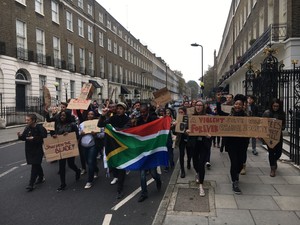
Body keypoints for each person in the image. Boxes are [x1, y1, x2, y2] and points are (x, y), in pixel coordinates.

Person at [98, 102, 130, 199]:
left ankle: (120, 189)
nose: (119, 110)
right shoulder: (112, 118)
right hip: (112, 146)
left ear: (124, 110)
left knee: (121, 168)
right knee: (114, 166)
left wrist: (116, 130)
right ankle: (116, 177)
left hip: (122, 146)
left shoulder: (127, 119)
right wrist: (103, 115)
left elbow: (127, 129)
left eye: (121, 108)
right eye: (118, 108)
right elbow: (100, 124)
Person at [220, 94, 249, 194]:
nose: (237, 106)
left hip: (242, 143)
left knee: (240, 164)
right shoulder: (229, 116)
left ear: (242, 106)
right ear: (234, 105)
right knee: (234, 162)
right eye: (236, 104)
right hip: (231, 143)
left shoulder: (246, 117)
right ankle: (234, 181)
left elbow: (252, 128)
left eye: (239, 104)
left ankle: (236, 175)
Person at [135, 103, 162, 202]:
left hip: (152, 149)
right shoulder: (138, 120)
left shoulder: (153, 119)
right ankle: (144, 193)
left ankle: (158, 180)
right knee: (142, 174)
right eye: (141, 112)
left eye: (144, 112)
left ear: (147, 111)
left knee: (153, 173)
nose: (142, 114)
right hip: (143, 149)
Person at [186, 100, 212, 197]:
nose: (198, 107)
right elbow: (185, 128)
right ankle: (197, 172)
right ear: (195, 106)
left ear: (203, 107)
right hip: (194, 143)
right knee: (195, 163)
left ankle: (201, 185)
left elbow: (213, 129)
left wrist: (210, 135)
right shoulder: (191, 117)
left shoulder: (207, 117)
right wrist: (187, 131)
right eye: (197, 105)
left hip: (204, 144)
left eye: (200, 105)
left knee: (201, 164)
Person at [52, 110, 81, 192]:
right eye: (61, 115)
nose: (62, 117)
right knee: (61, 166)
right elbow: (56, 133)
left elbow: (77, 136)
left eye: (64, 115)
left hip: (70, 148)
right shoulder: (58, 125)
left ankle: (77, 170)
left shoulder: (72, 125)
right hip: (61, 148)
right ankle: (63, 184)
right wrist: (55, 136)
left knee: (71, 164)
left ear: (67, 116)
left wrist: (68, 135)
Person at [17, 114, 48, 192]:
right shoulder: (27, 128)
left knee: (34, 165)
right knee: (37, 164)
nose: (26, 121)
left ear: (33, 120)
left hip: (38, 150)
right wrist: (20, 136)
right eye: (26, 120)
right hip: (29, 150)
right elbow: (24, 137)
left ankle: (31, 183)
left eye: (28, 120)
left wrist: (34, 138)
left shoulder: (40, 128)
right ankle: (41, 177)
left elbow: (44, 136)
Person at [262, 98, 286, 177]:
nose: (275, 107)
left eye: (277, 106)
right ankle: (272, 168)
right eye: (274, 106)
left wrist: (279, 126)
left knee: (278, 152)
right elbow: (263, 123)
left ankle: (274, 160)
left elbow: (284, 125)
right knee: (271, 152)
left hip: (278, 135)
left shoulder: (282, 114)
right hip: (269, 136)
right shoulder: (267, 113)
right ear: (271, 106)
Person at [78, 110, 99, 189]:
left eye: (92, 114)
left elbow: (101, 134)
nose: (90, 115)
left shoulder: (97, 124)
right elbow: (78, 132)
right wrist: (81, 133)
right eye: (89, 114)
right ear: (87, 115)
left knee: (90, 162)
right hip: (83, 146)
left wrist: (96, 134)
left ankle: (89, 181)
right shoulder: (82, 124)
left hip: (92, 145)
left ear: (94, 115)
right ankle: (96, 169)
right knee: (88, 161)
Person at [174, 107, 189, 178]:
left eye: (181, 112)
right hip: (181, 139)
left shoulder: (189, 119)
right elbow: (174, 132)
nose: (180, 114)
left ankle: (189, 162)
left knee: (190, 153)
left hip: (188, 139)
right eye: (179, 112)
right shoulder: (177, 120)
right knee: (181, 154)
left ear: (185, 113)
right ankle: (182, 170)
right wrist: (174, 126)